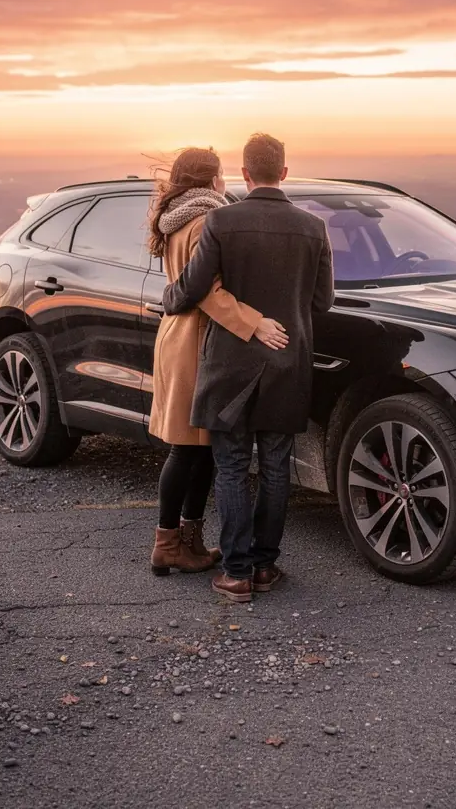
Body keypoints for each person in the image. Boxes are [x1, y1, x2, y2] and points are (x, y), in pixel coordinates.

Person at [163, 133, 334, 602]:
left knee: (233, 466)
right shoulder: (314, 227)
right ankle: (264, 566)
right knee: (277, 468)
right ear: (284, 172)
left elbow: (194, 286)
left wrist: (169, 298)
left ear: (243, 173)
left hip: (229, 364)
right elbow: (323, 301)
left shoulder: (220, 220)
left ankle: (235, 573)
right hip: (287, 361)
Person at [147, 146, 289, 576]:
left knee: (198, 448)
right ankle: (170, 542)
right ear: (211, 180)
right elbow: (207, 291)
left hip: (177, 335)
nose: (226, 181)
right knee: (190, 448)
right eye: (222, 174)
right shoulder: (207, 218)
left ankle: (184, 542)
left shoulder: (173, 217)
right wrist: (255, 322)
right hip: (199, 339)